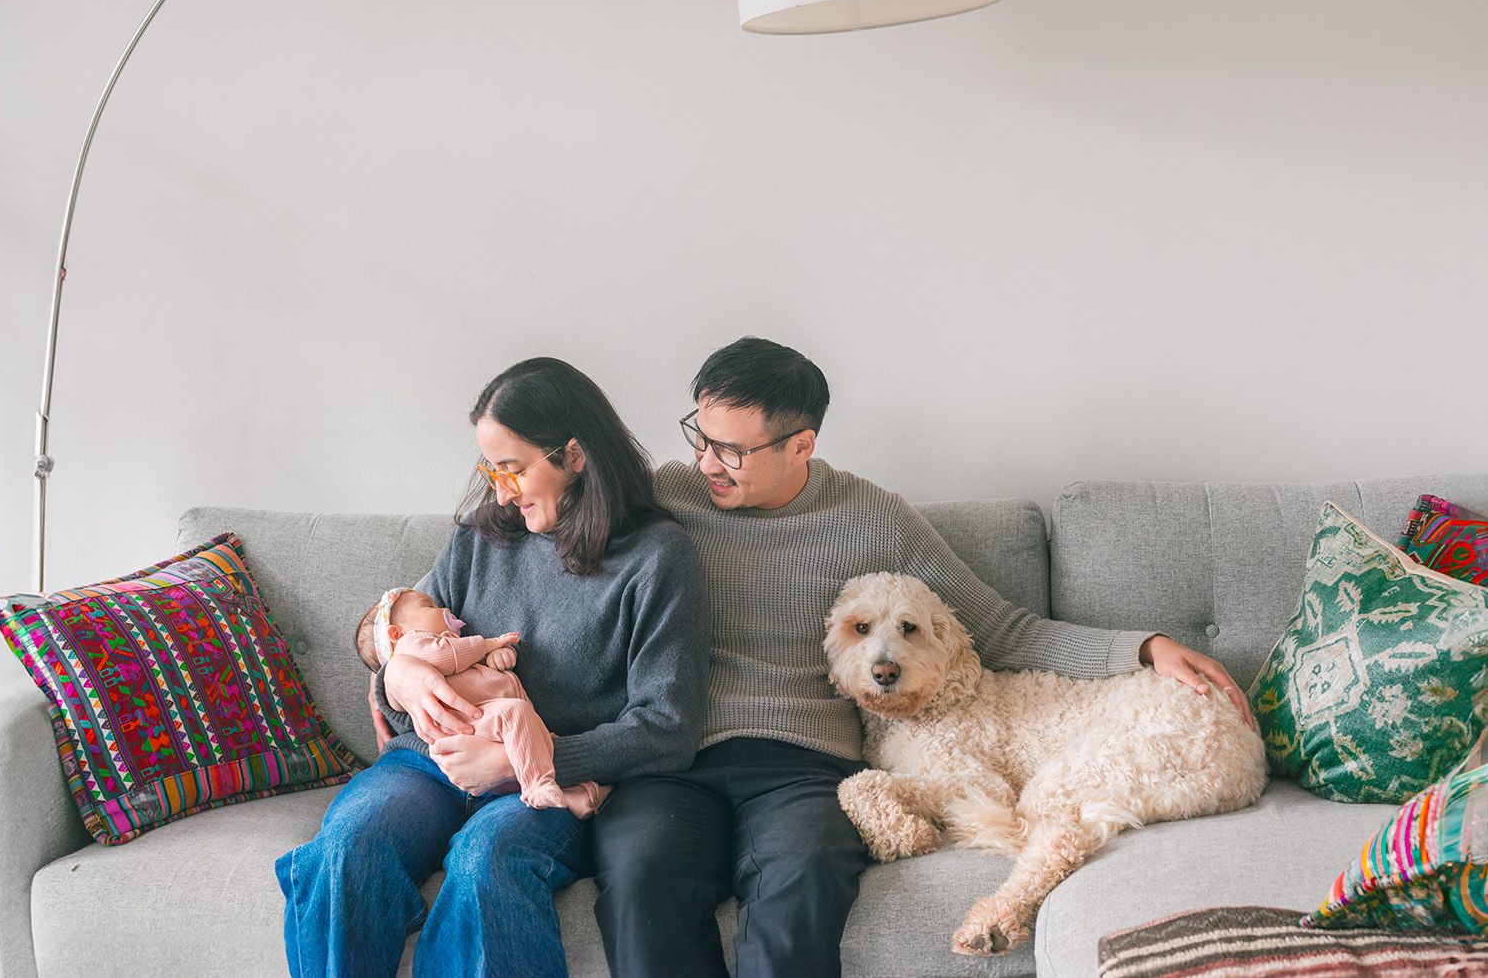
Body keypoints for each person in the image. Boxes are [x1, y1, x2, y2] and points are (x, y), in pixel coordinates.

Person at [590, 336, 1255, 978]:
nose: (707, 462)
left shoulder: (874, 516)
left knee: (804, 876)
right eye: (700, 436)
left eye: (732, 450)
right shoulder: (665, 499)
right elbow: (559, 557)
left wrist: (1144, 647)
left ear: (801, 446)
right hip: (674, 758)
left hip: (805, 765)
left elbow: (1002, 628)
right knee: (641, 874)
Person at [276, 357, 710, 978]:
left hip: (542, 781)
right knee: (346, 848)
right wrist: (394, 672)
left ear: (575, 456)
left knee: (485, 862)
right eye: (492, 469)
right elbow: (394, 626)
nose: (501, 489)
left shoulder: (658, 557)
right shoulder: (482, 536)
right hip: (429, 763)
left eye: (514, 468)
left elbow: (669, 728)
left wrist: (527, 761)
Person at [356, 586, 609, 818]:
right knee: (517, 715)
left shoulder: (450, 650)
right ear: (395, 633)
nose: (445, 609)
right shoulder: (415, 645)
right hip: (470, 724)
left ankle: (581, 796)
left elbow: (471, 667)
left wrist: (499, 656)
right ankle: (537, 785)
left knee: (535, 743)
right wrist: (489, 643)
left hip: (487, 729)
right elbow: (449, 654)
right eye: (430, 606)